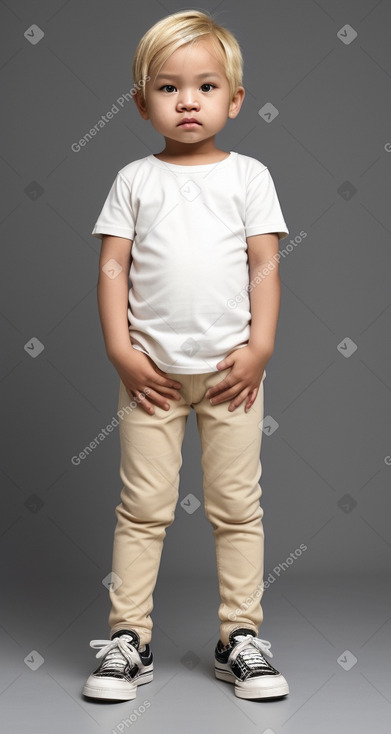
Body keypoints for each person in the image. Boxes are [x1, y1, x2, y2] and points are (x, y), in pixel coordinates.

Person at [82, 9, 290, 703]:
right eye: (169, 88)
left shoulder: (249, 176)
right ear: (143, 104)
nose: (188, 100)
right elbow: (113, 268)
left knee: (237, 507)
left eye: (205, 86)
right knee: (143, 508)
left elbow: (264, 265)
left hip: (233, 376)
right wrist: (121, 350)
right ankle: (127, 639)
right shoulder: (134, 180)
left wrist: (259, 347)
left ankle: (241, 638)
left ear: (234, 99)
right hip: (151, 377)